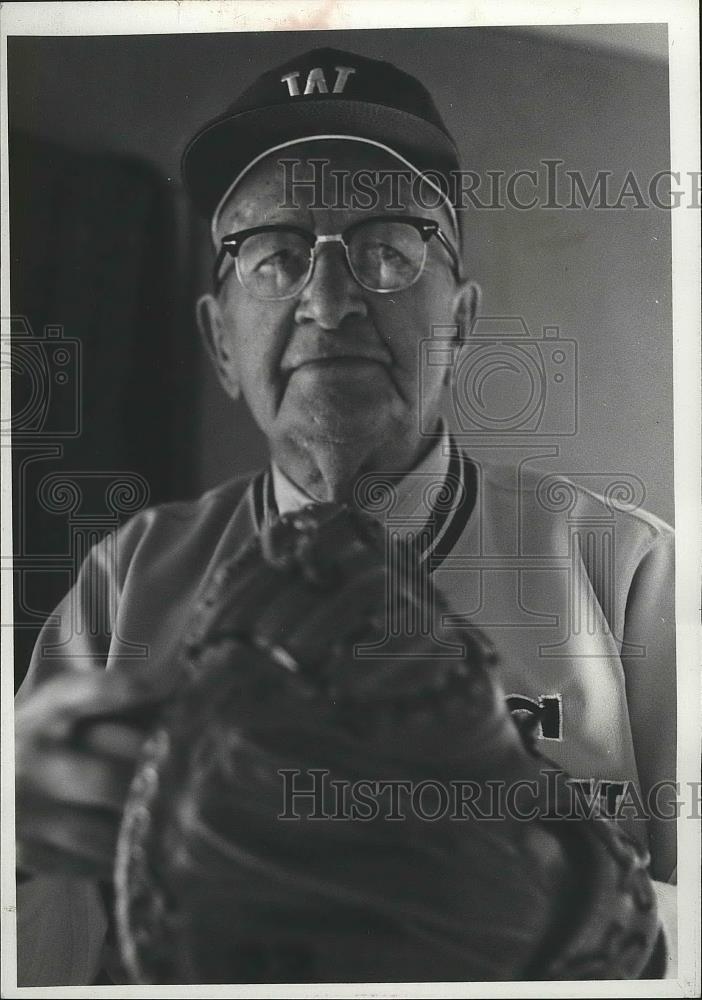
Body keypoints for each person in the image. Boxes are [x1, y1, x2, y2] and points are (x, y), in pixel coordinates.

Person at [14, 46, 677, 986]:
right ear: (216, 338)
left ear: (464, 317)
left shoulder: (633, 569)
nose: (330, 302)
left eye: (389, 251)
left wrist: (535, 894)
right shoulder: (126, 580)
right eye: (275, 256)